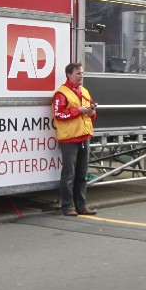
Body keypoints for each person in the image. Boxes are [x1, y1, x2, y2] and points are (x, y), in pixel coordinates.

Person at [52, 62, 98, 216]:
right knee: (69, 175)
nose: (81, 76)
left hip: (84, 136)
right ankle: (67, 206)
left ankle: (81, 205)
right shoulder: (61, 93)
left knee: (82, 175)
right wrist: (78, 110)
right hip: (70, 139)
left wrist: (92, 113)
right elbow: (58, 114)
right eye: (78, 73)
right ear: (69, 75)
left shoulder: (84, 91)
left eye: (82, 73)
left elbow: (92, 111)